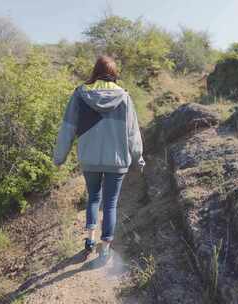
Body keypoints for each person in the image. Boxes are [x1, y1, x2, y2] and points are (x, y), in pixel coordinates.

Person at [53, 55, 145, 264]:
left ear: (95, 72)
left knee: (94, 197)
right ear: (114, 74)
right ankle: (105, 250)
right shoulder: (124, 97)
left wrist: (59, 158)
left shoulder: (80, 95)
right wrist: (138, 158)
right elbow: (133, 133)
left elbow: (67, 129)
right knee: (110, 204)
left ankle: (89, 240)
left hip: (90, 159)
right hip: (117, 160)